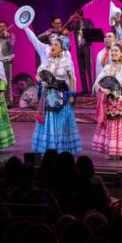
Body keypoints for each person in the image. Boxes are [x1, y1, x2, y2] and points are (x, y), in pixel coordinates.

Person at [23, 23, 81, 154]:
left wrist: (72, 94)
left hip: (62, 94)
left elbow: (72, 79)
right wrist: (42, 82)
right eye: (52, 44)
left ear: (62, 48)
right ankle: (49, 149)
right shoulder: (47, 61)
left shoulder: (67, 61)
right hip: (48, 96)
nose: (52, 46)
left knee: (61, 121)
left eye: (56, 45)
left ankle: (62, 150)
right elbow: (38, 75)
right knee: (49, 121)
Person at [67, 10, 95, 96]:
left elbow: (92, 31)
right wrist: (70, 20)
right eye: (75, 16)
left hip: (86, 46)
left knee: (88, 68)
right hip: (78, 47)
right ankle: (84, 89)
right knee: (81, 69)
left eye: (77, 16)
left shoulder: (87, 21)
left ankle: (92, 89)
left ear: (81, 15)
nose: (76, 18)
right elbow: (67, 28)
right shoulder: (75, 24)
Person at [0, 21, 15, 103]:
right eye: (0, 26)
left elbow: (12, 44)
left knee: (7, 81)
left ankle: (8, 101)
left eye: (4, 26)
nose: (2, 28)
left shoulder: (10, 35)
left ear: (6, 27)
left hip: (7, 61)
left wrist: (7, 38)